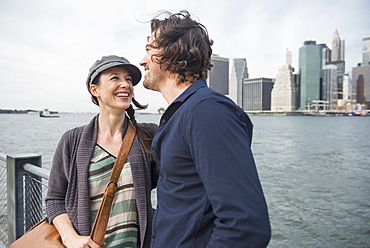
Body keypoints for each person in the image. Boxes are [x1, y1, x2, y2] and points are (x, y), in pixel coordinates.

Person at [139, 10, 271, 247]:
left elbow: (245, 226)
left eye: (149, 50)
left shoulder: (206, 111)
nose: (142, 61)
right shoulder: (181, 114)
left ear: (172, 53)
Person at [45, 55, 158, 248]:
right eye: (115, 78)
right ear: (94, 89)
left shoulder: (149, 135)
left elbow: (173, 183)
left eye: (129, 80)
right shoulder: (72, 140)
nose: (125, 84)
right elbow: (54, 199)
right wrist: (70, 237)